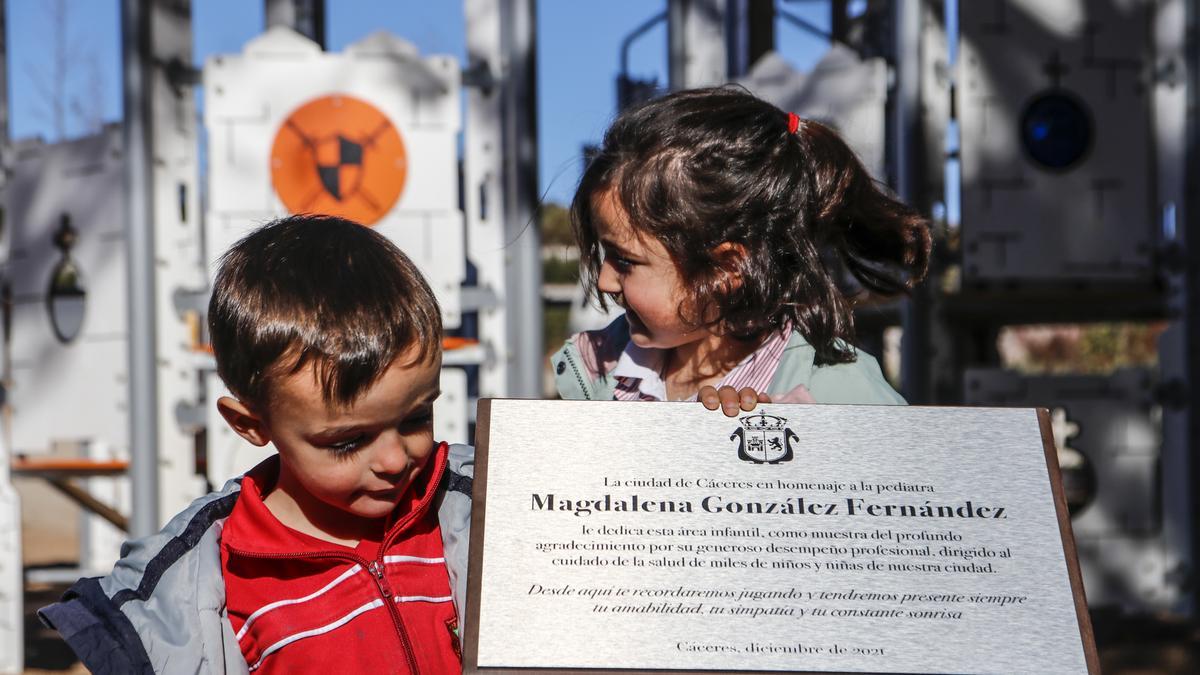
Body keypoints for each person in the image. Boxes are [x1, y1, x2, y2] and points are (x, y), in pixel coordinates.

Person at [39, 215, 471, 674]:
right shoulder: (213, 579)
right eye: (348, 442)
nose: (393, 459)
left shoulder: (473, 502)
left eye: (416, 418)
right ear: (250, 424)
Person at [551, 86, 931, 415]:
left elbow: (914, 494)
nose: (603, 280)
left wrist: (791, 456)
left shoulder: (839, 396)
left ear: (727, 269)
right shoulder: (601, 369)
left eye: (626, 260)